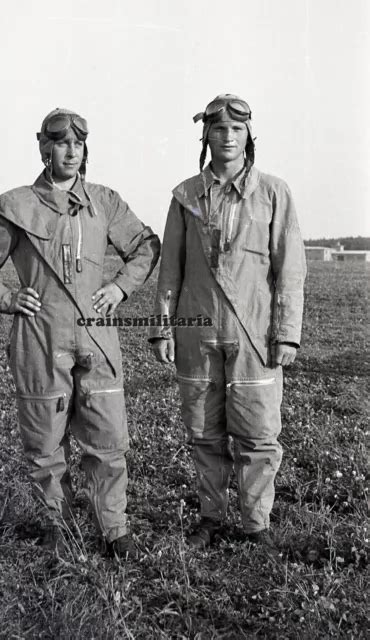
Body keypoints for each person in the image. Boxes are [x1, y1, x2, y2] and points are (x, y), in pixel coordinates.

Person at [0, 107, 160, 558]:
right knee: (45, 442)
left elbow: (146, 246)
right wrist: (8, 298)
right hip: (39, 337)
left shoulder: (105, 202)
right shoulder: (15, 205)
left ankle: (115, 530)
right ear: (45, 147)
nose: (71, 151)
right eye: (62, 142)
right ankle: (58, 525)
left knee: (108, 440)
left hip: (97, 335)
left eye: (78, 144)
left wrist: (120, 288)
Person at [150, 94, 306, 551]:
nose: (227, 136)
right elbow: (171, 270)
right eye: (218, 129)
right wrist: (162, 328)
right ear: (206, 136)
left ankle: (256, 525)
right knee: (204, 434)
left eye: (236, 130)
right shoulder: (185, 196)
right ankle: (211, 518)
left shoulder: (275, 193)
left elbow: (290, 269)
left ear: (248, 137)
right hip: (197, 334)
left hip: (255, 336)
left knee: (258, 435)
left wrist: (288, 334)